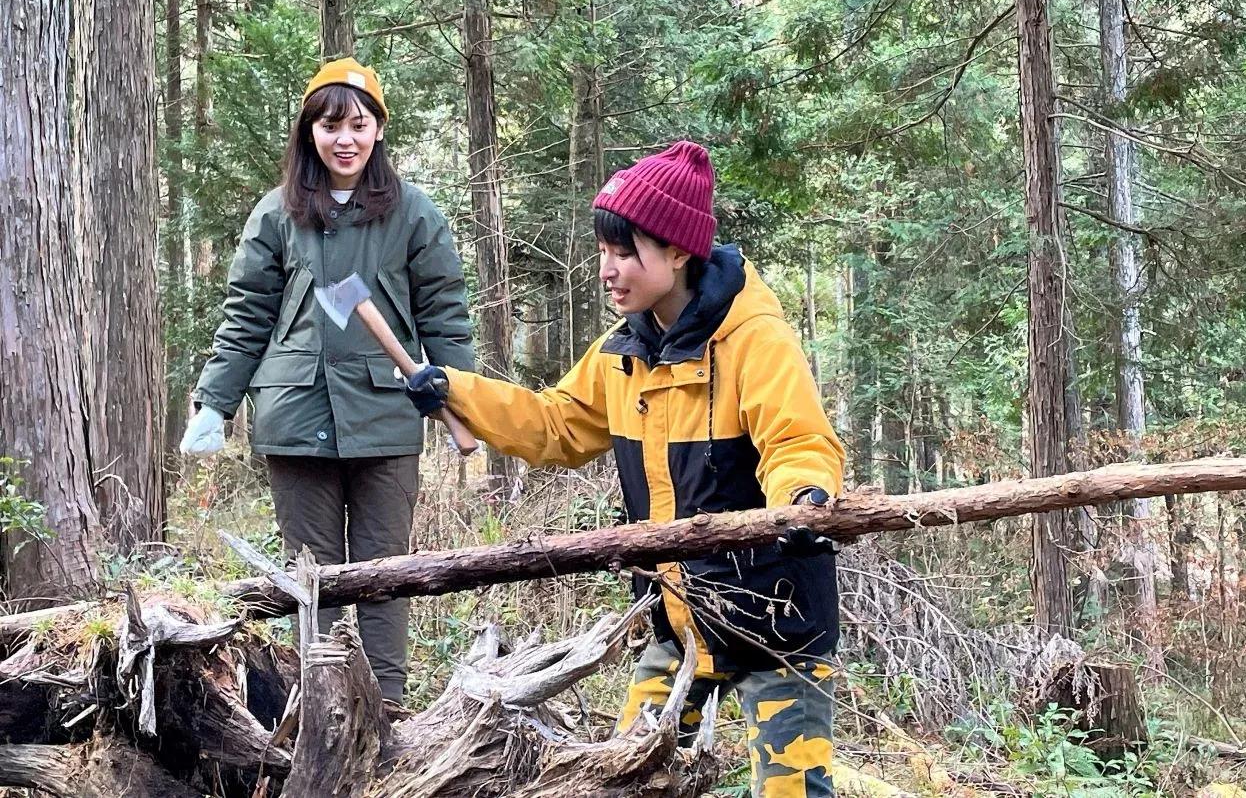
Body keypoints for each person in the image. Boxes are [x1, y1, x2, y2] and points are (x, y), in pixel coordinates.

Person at [403, 141, 843, 797]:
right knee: (629, 778)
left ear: (676, 252)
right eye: (604, 251)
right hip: (679, 621)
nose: (608, 269)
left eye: (625, 251)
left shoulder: (755, 338)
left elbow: (797, 441)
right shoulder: (622, 351)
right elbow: (555, 424)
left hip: (778, 626)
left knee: (794, 791)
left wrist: (803, 503)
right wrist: (456, 392)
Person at [180, 58, 474, 706]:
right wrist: (215, 402)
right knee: (312, 580)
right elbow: (247, 315)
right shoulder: (276, 216)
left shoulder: (414, 214)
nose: (345, 138)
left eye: (359, 124)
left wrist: (466, 398)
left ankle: (388, 714)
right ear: (309, 132)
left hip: (386, 419)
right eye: (330, 124)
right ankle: (321, 712)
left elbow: (444, 313)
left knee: (382, 576)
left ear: (378, 131)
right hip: (295, 416)